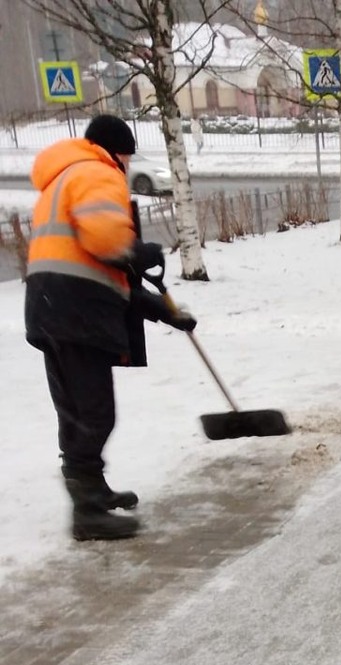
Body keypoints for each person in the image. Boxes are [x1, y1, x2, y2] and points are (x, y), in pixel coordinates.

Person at [25, 113, 197, 542]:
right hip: (76, 312)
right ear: (115, 152)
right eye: (126, 155)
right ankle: (86, 513)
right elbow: (106, 243)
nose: (126, 163)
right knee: (94, 412)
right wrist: (137, 249)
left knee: (76, 410)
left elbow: (93, 267)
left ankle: (93, 492)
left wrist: (161, 309)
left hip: (51, 307)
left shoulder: (61, 179)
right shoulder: (96, 172)